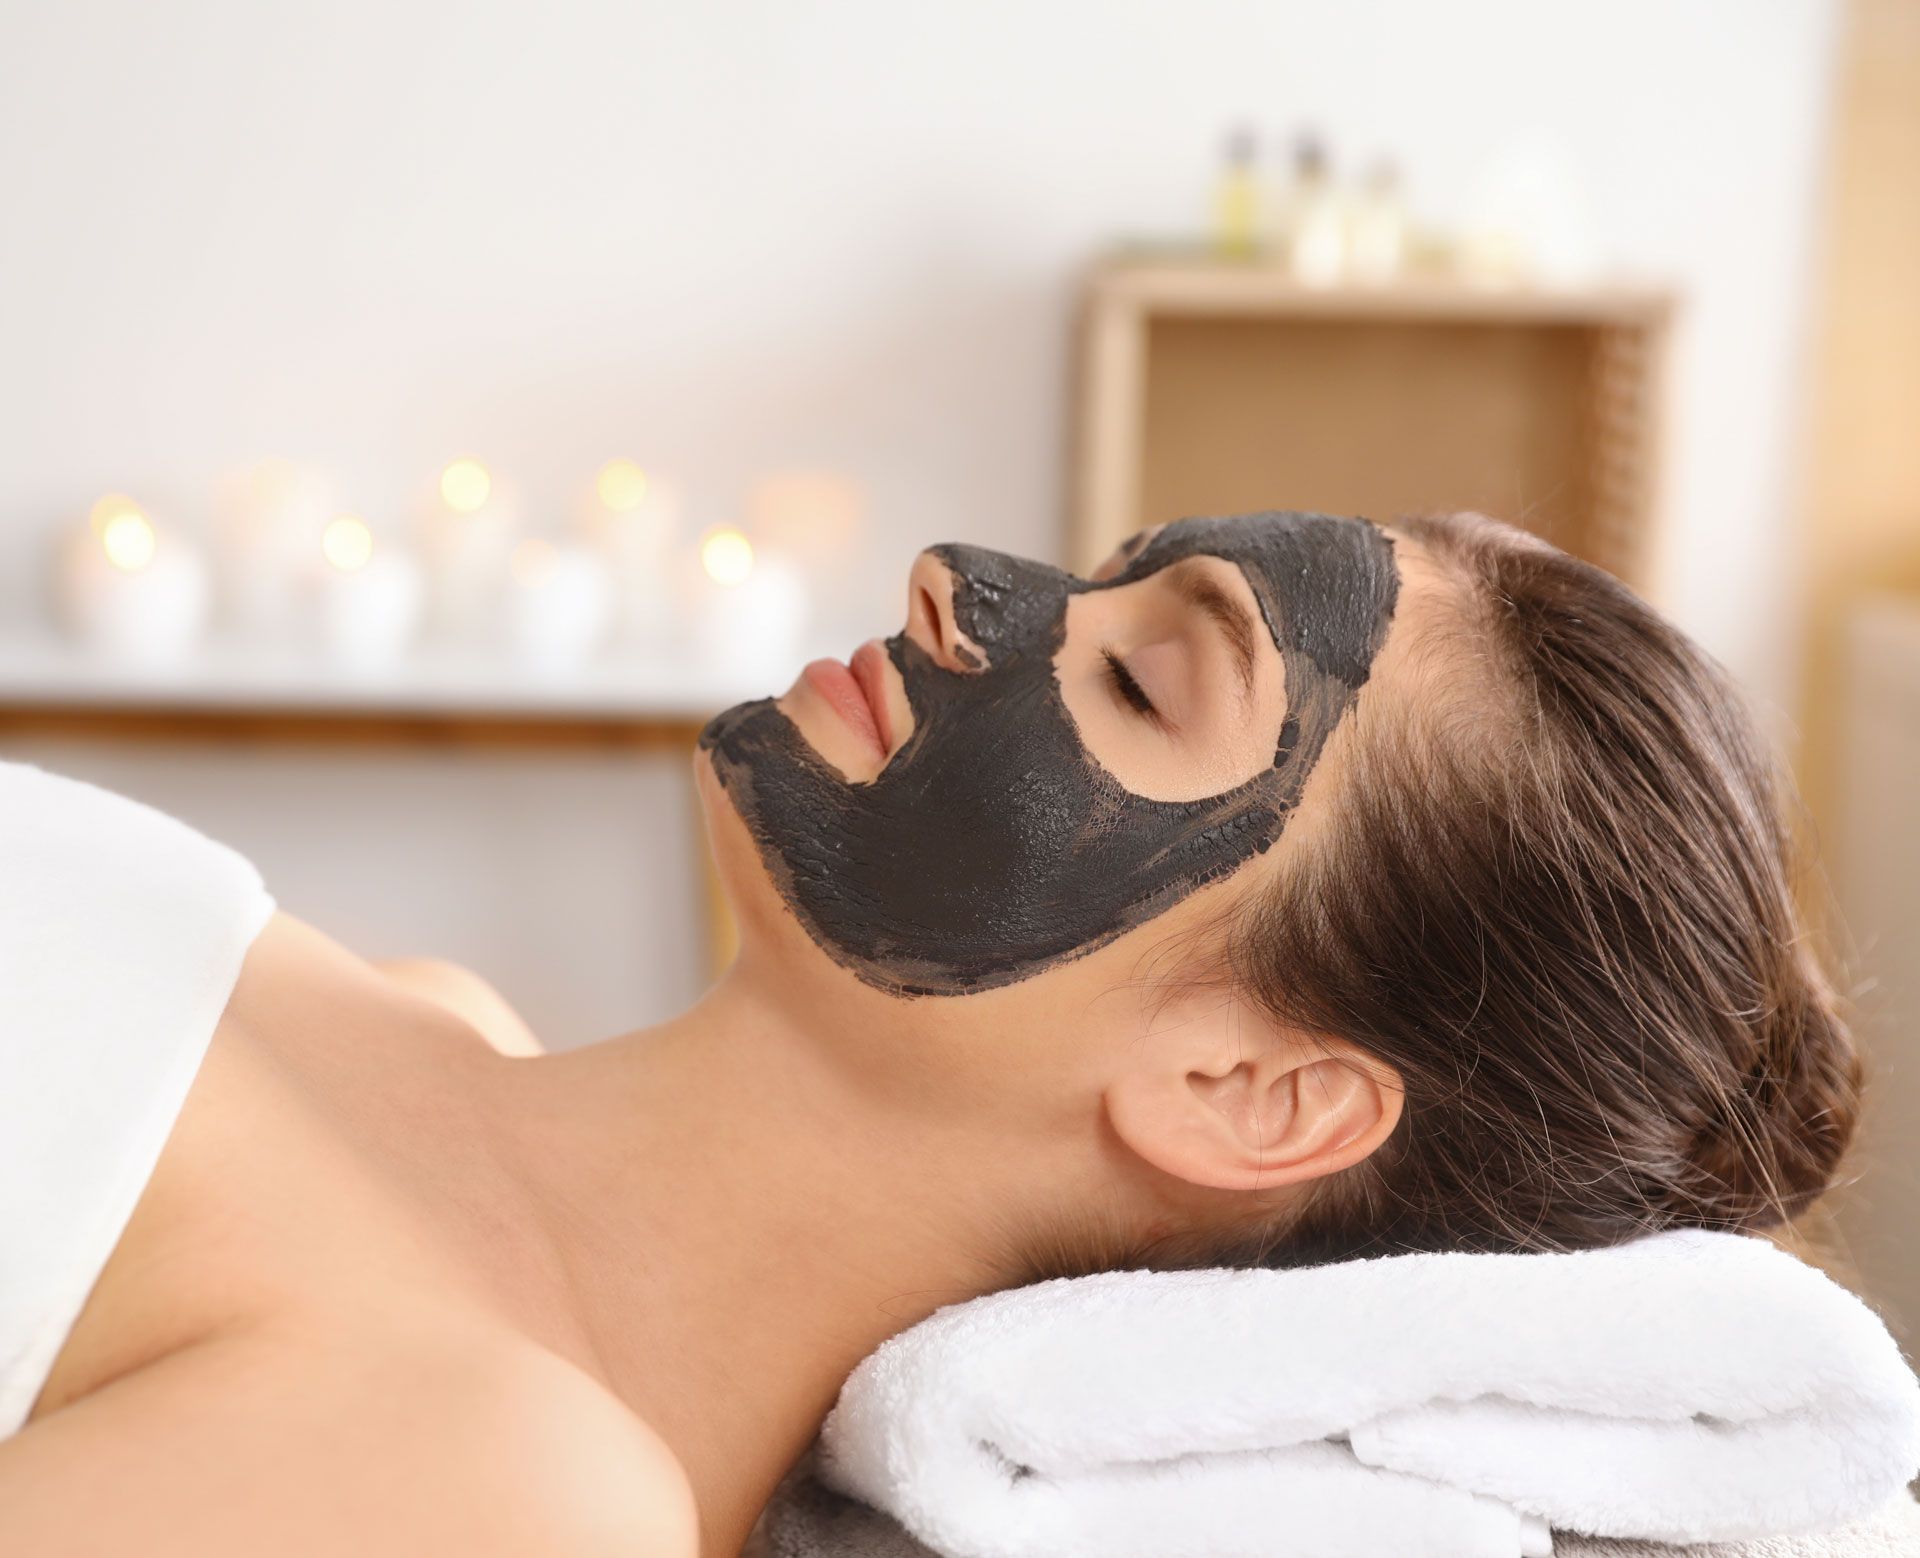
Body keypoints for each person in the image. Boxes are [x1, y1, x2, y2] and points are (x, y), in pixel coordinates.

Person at [0, 510, 1858, 1556]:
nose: (966, 583)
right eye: (1106, 571)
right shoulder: (431, 1020)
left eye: (1140, 678)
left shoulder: (506, 1493)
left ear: (1244, 1091)